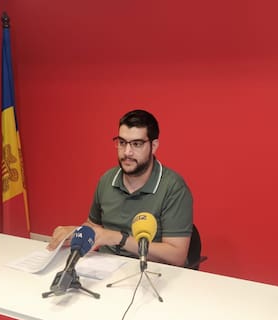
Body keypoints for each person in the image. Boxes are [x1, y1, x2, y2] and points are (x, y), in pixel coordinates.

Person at [47, 109, 193, 267]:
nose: (127, 152)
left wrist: (118, 238)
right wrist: (76, 232)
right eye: (122, 143)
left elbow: (177, 256)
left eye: (136, 144)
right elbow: (94, 226)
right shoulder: (107, 179)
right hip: (102, 266)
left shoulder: (173, 188)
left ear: (154, 146)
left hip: (148, 270)